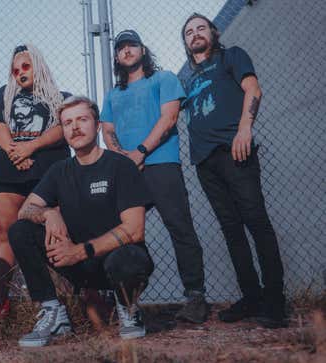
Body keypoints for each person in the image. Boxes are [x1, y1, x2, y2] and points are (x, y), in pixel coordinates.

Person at [8, 96, 154, 346]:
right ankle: (53, 312)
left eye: (82, 119)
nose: (74, 127)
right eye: (67, 123)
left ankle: (128, 308)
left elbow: (134, 230)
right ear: (63, 131)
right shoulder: (59, 171)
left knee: (129, 258)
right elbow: (25, 210)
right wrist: (49, 213)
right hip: (79, 266)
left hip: (115, 261)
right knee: (21, 230)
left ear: (97, 125)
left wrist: (80, 251)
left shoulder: (121, 166)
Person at [181, 13, 287, 328]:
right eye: (189, 32)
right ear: (186, 43)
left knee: (256, 222)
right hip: (205, 162)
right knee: (231, 230)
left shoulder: (231, 55)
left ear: (213, 33)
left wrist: (245, 128)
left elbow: (253, 90)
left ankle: (274, 300)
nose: (195, 34)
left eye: (201, 28)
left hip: (234, 150)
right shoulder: (189, 80)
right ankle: (251, 296)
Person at [100, 30, 208, 323]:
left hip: (160, 164)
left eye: (131, 45)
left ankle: (195, 297)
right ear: (117, 57)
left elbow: (169, 117)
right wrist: (122, 156)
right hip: (127, 171)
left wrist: (141, 152)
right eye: (120, 48)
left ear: (143, 50)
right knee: (124, 234)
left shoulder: (163, 79)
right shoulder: (113, 94)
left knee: (180, 226)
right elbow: (107, 130)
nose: (126, 51)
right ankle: (128, 302)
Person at [0, 44, 71, 324]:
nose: (20, 73)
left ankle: (60, 300)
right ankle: (2, 304)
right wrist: (14, 152)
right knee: (4, 236)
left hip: (45, 172)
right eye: (15, 69)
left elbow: (60, 129)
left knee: (53, 234)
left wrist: (29, 148)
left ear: (39, 66)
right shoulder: (4, 95)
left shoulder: (62, 97)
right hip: (6, 173)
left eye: (26, 66)